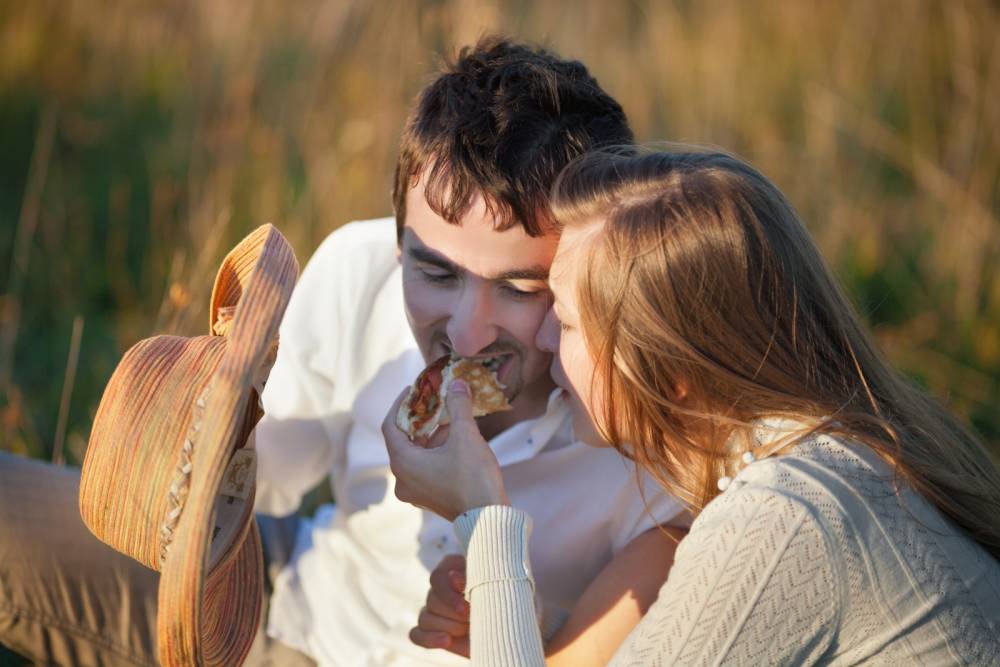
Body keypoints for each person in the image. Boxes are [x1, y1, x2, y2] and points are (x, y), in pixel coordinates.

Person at [0, 38, 689, 666]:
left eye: (518, 289)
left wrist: (486, 538)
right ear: (398, 245)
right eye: (436, 274)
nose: (467, 334)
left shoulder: (651, 448)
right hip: (284, 595)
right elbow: (269, 479)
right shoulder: (359, 271)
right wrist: (217, 419)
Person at [384, 149, 1000, 665]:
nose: (544, 341)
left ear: (672, 369)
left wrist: (483, 516)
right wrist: (516, 622)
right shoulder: (834, 462)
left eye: (566, 322)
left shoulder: (782, 519)